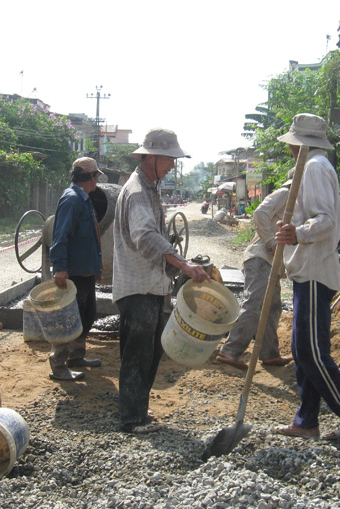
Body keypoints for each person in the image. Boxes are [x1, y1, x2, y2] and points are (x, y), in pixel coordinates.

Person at [273, 113, 340, 440]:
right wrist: (302, 236)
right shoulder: (317, 167)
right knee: (302, 350)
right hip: (310, 269)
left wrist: (297, 234)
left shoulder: (314, 168)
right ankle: (306, 422)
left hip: (314, 271)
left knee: (312, 351)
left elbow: (328, 220)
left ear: (298, 144)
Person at [113, 128, 211, 434]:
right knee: (138, 352)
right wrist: (182, 264)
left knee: (150, 352)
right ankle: (131, 418)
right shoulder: (139, 191)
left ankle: (138, 411)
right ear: (151, 157)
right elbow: (145, 237)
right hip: (138, 285)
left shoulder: (149, 186)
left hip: (150, 284)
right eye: (169, 159)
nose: (172, 165)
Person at [216, 171, 294, 370]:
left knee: (273, 306)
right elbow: (259, 213)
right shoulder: (285, 193)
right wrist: (270, 242)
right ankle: (230, 351)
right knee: (255, 302)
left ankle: (269, 354)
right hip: (261, 257)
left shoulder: (297, 199)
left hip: (272, 262)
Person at [48, 157, 104, 381]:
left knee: (86, 315)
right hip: (74, 272)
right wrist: (60, 267)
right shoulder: (71, 200)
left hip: (86, 270)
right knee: (68, 319)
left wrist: (96, 266)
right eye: (95, 176)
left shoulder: (84, 199)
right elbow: (60, 236)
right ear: (88, 177)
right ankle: (59, 363)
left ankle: (76, 356)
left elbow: (91, 237)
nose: (96, 181)